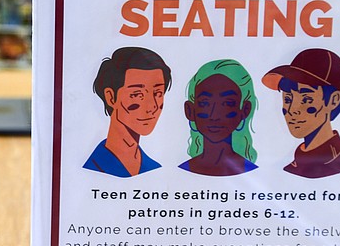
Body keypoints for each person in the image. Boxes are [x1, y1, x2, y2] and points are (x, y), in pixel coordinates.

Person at [261, 48, 340, 179]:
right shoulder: (294, 165)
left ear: (333, 100)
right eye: (288, 99)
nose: (292, 110)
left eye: (306, 99)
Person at [82, 47, 171, 177]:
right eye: (137, 94)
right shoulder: (91, 169)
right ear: (111, 97)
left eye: (158, 93)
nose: (152, 106)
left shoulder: (153, 169)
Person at [179, 59, 258, 176]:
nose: (214, 115)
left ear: (245, 110)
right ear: (190, 111)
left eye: (227, 103)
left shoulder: (252, 172)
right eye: (205, 103)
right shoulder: (180, 171)